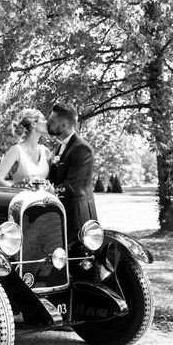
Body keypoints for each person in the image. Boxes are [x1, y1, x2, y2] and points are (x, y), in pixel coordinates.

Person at [47, 102, 98, 245]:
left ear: (63, 124)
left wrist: (45, 192)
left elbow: (72, 186)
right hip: (62, 214)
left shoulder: (81, 148)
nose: (48, 124)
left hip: (77, 218)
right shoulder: (62, 146)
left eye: (52, 121)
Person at [0, 108, 50, 186]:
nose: (47, 122)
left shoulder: (46, 151)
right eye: (43, 119)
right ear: (33, 124)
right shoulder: (16, 151)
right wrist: (17, 191)